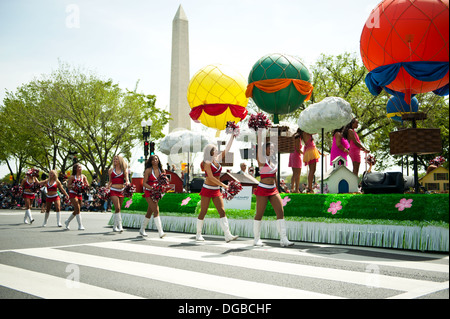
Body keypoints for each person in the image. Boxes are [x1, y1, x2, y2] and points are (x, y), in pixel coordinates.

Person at [254, 129, 294, 247]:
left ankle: (283, 239)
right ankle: (256, 239)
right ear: (264, 150)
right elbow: (259, 145)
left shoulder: (273, 161)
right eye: (269, 148)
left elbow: (274, 176)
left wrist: (278, 189)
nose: (271, 150)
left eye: (273, 148)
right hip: (262, 189)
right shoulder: (261, 160)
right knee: (259, 214)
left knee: (280, 212)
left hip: (273, 189)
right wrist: (260, 133)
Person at [196, 135, 238, 243]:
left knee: (222, 210)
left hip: (216, 190)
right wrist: (223, 185)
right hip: (207, 188)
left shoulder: (217, 159)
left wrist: (232, 136)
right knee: (203, 211)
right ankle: (198, 234)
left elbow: (227, 149)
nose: (216, 150)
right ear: (210, 151)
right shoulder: (207, 162)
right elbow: (210, 177)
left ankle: (227, 235)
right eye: (214, 149)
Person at [139, 154, 166, 238]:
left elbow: (164, 182)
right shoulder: (148, 170)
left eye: (156, 159)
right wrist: (152, 188)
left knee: (149, 211)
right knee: (156, 210)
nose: (155, 161)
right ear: (150, 161)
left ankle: (142, 229)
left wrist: (161, 189)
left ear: (158, 160)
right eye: (153, 159)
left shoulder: (162, 170)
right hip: (148, 192)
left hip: (157, 193)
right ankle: (160, 232)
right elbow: (144, 183)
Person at [108, 155, 130, 232]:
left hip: (121, 190)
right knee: (117, 207)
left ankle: (114, 226)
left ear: (120, 160)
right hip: (113, 190)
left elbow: (127, 179)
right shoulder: (111, 170)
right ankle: (120, 226)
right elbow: (110, 181)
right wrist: (106, 189)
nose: (115, 160)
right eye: (114, 159)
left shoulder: (124, 170)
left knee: (119, 209)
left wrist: (127, 183)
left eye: (116, 159)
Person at [65, 163, 88, 230]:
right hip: (73, 193)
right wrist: (74, 186)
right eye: (79, 167)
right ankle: (80, 225)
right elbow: (68, 185)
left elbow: (87, 185)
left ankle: (67, 221)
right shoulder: (72, 177)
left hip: (79, 194)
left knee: (77, 209)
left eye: (81, 167)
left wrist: (84, 186)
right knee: (77, 207)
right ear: (75, 169)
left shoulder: (83, 177)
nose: (80, 169)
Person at [288, 129, 303, 193]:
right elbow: (297, 148)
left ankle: (292, 188)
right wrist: (304, 153)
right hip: (296, 155)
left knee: (294, 173)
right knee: (298, 173)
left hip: (292, 154)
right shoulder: (298, 137)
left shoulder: (294, 136)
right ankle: (296, 189)